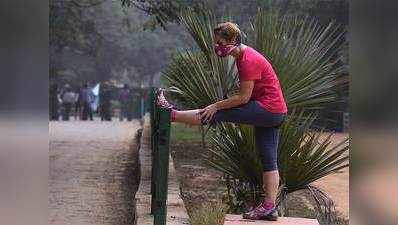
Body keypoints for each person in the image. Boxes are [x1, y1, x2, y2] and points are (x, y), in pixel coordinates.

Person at [157, 22, 287, 221]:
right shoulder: (242, 56)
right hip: (276, 112)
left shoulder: (248, 60)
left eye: (220, 42)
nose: (217, 47)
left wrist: (216, 105)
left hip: (268, 109)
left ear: (234, 40)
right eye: (215, 43)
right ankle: (269, 208)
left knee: (216, 114)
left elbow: (244, 98)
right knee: (269, 161)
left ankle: (171, 114)